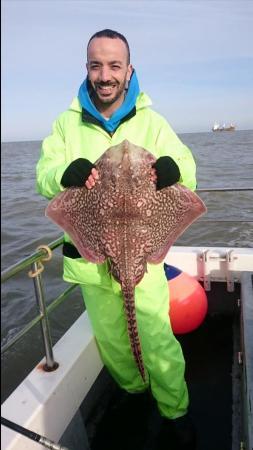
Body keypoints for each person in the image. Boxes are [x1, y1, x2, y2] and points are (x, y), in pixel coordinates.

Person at [36, 29, 197, 449]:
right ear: (87, 69)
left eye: (113, 65)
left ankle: (175, 411)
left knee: (158, 339)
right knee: (112, 341)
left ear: (129, 71)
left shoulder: (153, 122)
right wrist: (62, 174)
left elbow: (186, 168)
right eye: (96, 64)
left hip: (143, 258)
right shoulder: (66, 124)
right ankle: (134, 394)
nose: (104, 74)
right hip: (92, 263)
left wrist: (173, 169)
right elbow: (44, 176)